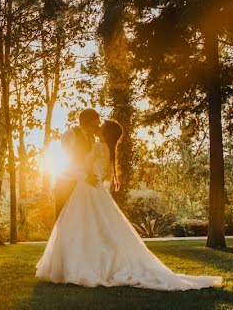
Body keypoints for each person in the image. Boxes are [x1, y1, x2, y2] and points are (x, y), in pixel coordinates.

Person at [37, 119, 223, 291]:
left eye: (101, 127)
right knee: (98, 229)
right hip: (94, 189)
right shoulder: (108, 150)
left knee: (86, 229)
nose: (98, 128)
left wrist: (85, 172)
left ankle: (84, 265)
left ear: (105, 133)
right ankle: (92, 263)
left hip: (87, 189)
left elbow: (88, 168)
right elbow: (103, 174)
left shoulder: (98, 147)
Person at [53, 108, 100, 219]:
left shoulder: (92, 138)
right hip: (66, 185)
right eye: (94, 125)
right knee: (64, 220)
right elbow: (67, 161)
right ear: (85, 123)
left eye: (98, 124)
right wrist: (85, 177)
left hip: (83, 187)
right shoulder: (71, 134)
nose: (97, 128)